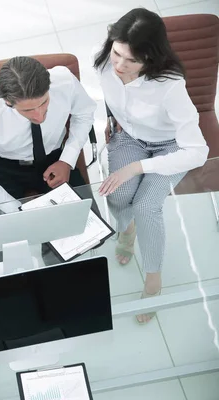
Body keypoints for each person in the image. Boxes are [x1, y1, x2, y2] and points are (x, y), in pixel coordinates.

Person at [94, 8, 209, 324]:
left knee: (146, 206)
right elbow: (111, 92)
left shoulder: (170, 85)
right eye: (117, 53)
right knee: (116, 195)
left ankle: (153, 282)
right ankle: (127, 229)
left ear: (151, 58)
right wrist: (110, 117)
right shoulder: (105, 61)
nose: (119, 65)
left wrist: (137, 168)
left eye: (131, 61)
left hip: (169, 146)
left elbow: (198, 151)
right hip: (129, 137)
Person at [0, 56, 97, 209]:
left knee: (90, 222)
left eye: (44, 102)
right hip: (5, 167)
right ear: (8, 103)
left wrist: (67, 160)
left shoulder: (64, 82)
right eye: (28, 110)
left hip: (55, 158)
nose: (40, 115)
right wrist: (17, 211)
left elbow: (84, 114)